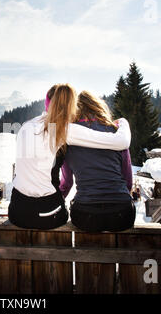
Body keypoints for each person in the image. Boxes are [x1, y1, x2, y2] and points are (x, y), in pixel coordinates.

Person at [8, 84, 132, 230]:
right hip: (47, 215)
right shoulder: (64, 130)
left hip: (16, 211)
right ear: (72, 106)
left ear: (47, 102)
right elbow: (121, 142)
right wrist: (123, 122)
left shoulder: (26, 126)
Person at [59, 90, 135, 232]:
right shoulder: (116, 132)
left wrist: (57, 199)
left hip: (85, 214)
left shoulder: (69, 138)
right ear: (98, 107)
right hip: (122, 213)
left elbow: (67, 182)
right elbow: (128, 180)